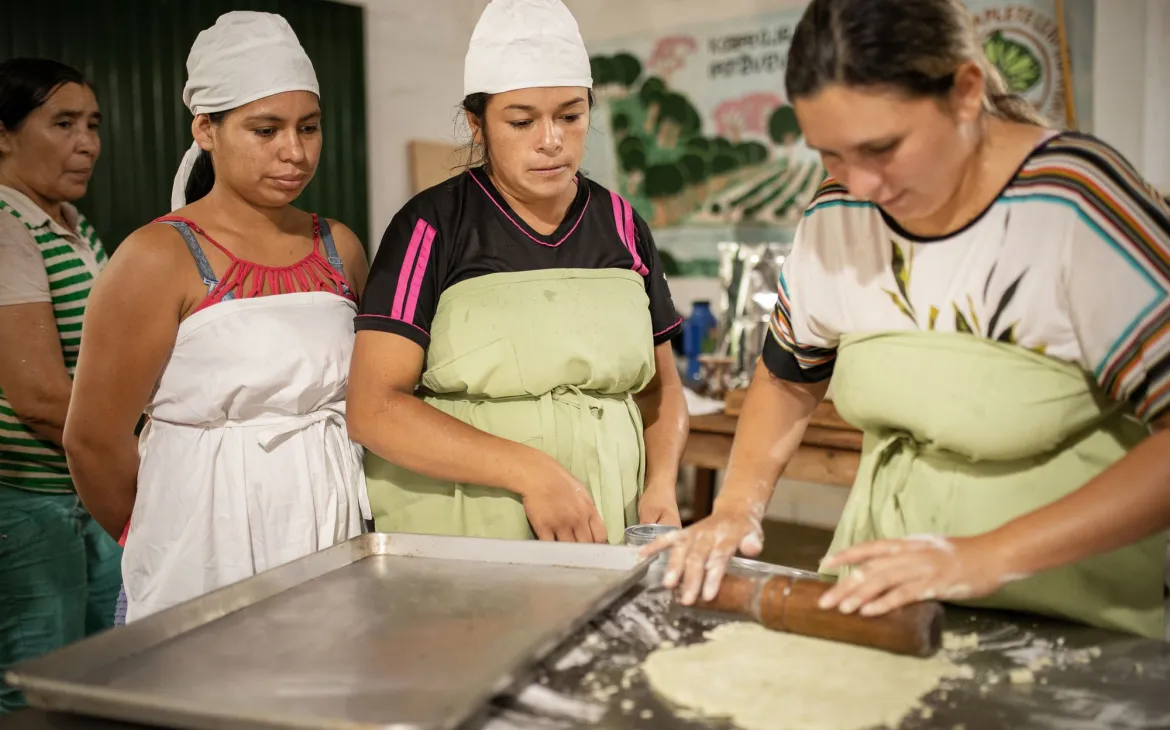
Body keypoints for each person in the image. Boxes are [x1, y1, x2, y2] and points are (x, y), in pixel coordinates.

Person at [647, 0, 1170, 640]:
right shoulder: (838, 214)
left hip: (1076, 610)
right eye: (831, 155)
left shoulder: (1075, 205)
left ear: (967, 92)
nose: (859, 184)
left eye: (883, 147)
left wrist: (986, 555)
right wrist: (735, 507)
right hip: (887, 598)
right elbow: (788, 377)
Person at [64, 11, 370, 623]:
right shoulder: (157, 258)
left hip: (329, 527)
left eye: (308, 128)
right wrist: (165, 527)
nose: (294, 151)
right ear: (206, 129)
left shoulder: (339, 246)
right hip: (201, 545)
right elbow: (93, 440)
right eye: (266, 130)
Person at [347, 0, 687, 544]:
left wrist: (662, 486)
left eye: (571, 116)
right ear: (477, 124)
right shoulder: (431, 226)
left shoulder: (622, 223)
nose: (550, 139)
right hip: (468, 529)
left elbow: (662, 391)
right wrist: (531, 472)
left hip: (609, 517)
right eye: (522, 120)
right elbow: (374, 408)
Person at [0, 57, 120, 713]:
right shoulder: (7, 228)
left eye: (93, 124)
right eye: (64, 123)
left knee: (96, 672)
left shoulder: (72, 226)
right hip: (29, 501)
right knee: (34, 683)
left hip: (80, 488)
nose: (87, 143)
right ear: (3, 134)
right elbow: (40, 399)